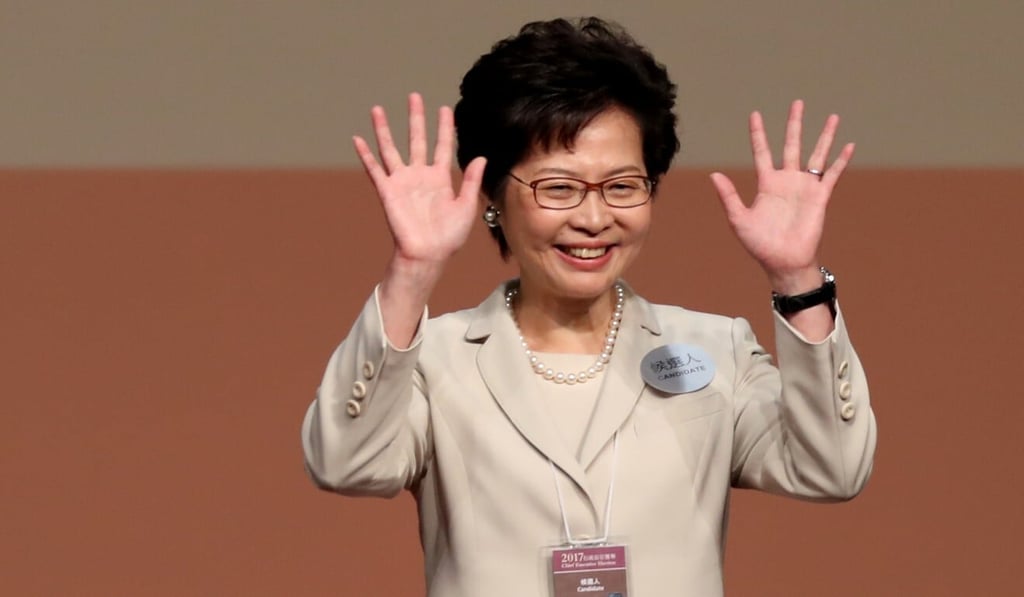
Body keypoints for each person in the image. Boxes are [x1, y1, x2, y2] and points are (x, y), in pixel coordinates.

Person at [301, 16, 876, 597]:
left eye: (623, 186)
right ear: (493, 198)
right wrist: (414, 270)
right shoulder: (434, 360)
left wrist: (796, 276)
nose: (595, 219)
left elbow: (832, 468)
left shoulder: (711, 349)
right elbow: (346, 463)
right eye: (558, 188)